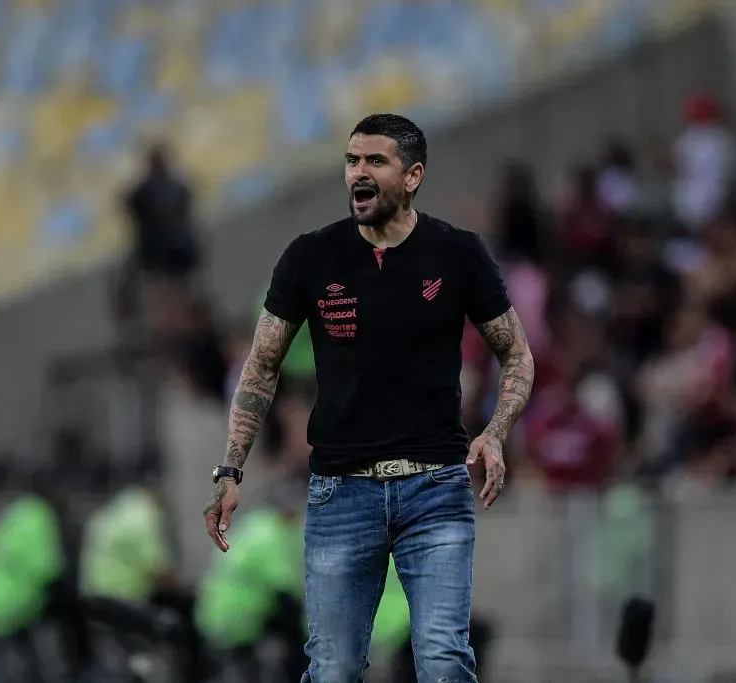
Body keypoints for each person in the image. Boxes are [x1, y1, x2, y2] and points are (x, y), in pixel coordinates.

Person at [202, 113, 535, 683]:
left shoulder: (456, 254)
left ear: (412, 176)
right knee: (332, 668)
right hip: (341, 493)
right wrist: (231, 469)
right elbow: (259, 368)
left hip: (435, 489)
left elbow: (518, 356)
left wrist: (495, 431)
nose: (359, 173)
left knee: (443, 658)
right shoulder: (311, 258)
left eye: (375, 161)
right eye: (352, 161)